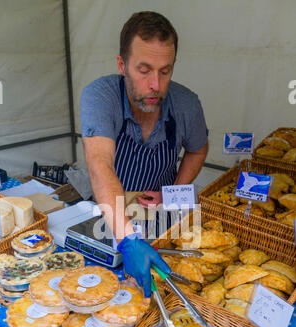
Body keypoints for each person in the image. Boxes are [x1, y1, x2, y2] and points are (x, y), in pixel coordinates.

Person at [80, 11, 209, 298]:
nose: (156, 85)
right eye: (144, 70)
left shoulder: (186, 104)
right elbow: (99, 164)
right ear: (122, 65)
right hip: (109, 214)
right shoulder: (100, 97)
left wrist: (173, 193)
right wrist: (127, 239)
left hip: (160, 214)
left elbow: (198, 149)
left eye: (165, 71)